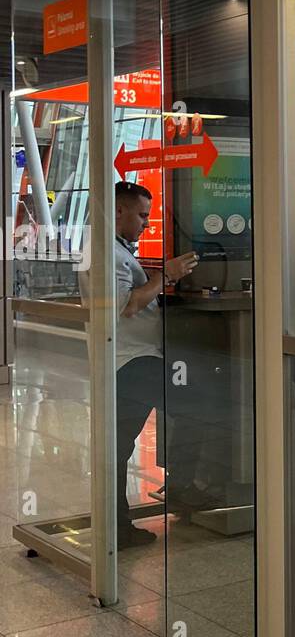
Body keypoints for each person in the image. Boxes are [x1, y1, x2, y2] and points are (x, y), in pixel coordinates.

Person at [92, 182, 197, 547]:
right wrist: (165, 276)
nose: (146, 224)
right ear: (118, 211)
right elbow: (128, 305)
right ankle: (186, 488)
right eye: (141, 215)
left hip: (127, 360)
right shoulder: (107, 252)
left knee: (119, 446)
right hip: (134, 362)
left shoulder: (113, 249)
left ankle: (118, 525)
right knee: (203, 408)